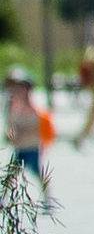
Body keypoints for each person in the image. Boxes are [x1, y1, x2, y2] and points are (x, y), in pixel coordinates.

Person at [3, 69, 49, 203]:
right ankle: (3, 198)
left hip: (32, 147)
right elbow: (10, 128)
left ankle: (48, 199)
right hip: (20, 148)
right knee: (11, 174)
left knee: (39, 174)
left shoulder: (34, 108)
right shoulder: (12, 108)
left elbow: (37, 127)